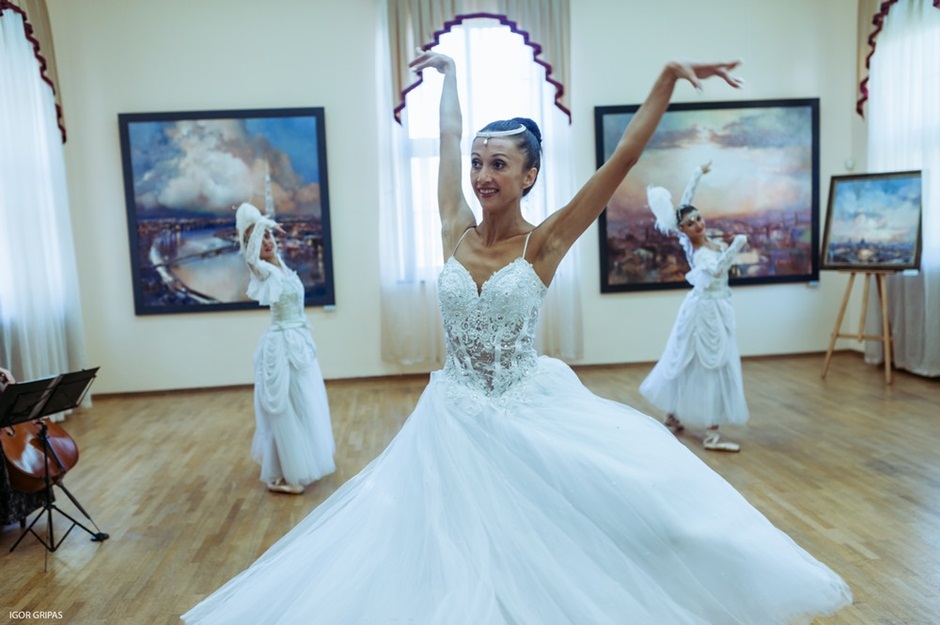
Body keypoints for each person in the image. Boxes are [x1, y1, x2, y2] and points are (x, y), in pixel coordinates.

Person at [182, 54, 850, 624]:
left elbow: (622, 157)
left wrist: (667, 78)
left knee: (574, 535)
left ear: (528, 175)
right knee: (444, 550)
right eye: (478, 163)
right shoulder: (454, 227)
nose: (481, 175)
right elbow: (446, 138)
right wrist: (448, 75)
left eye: (498, 164)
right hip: (451, 415)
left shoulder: (546, 242)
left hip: (524, 411)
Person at [640, 163, 750, 452]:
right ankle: (711, 433)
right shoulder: (698, 251)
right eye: (690, 223)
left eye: (699, 218)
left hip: (714, 306)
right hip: (705, 312)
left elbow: (685, 205)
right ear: (682, 230)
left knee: (696, 361)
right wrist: (735, 247)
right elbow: (716, 270)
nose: (698, 224)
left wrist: (697, 175)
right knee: (707, 363)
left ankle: (673, 415)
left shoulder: (705, 240)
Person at [235, 202, 336, 495]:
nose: (266, 241)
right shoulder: (263, 271)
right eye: (259, 238)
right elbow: (250, 258)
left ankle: (301, 460)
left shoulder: (284, 268)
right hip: (280, 346)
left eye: (268, 236)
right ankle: (285, 473)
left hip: (299, 342)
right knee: (284, 407)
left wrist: (263, 227)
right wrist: (261, 225)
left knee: (304, 402)